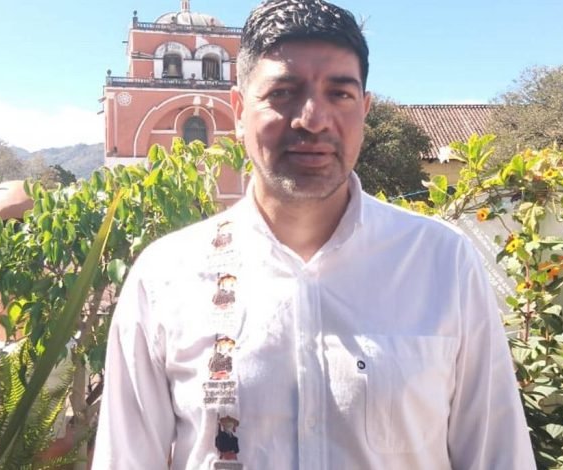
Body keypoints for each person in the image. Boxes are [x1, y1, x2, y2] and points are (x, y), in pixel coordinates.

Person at [93, 0, 536, 468]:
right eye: (283, 92)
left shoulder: (441, 261)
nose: (313, 118)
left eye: (339, 94)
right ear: (239, 110)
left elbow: (497, 455)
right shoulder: (165, 277)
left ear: (364, 110)